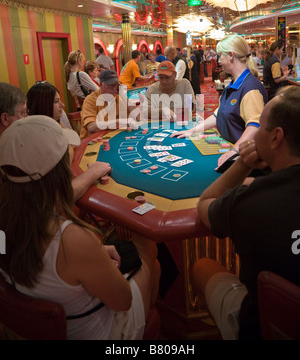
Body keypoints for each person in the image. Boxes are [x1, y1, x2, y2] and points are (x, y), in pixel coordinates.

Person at [0, 115, 160, 340]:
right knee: (147, 246)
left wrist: (93, 257)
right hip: (104, 332)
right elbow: (123, 301)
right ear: (59, 173)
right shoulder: (72, 240)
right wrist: (92, 256)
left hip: (40, 328)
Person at [192, 86, 300, 340]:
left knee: (201, 267)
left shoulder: (251, 201)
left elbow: (205, 203)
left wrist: (242, 164)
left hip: (264, 327)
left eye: (259, 126)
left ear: (276, 138)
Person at [171, 35, 267, 166]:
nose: (219, 60)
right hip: (232, 150)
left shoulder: (250, 87)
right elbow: (219, 113)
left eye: (221, 55)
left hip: (244, 160)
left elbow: (255, 125)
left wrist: (234, 150)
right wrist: (192, 131)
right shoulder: (234, 83)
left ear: (231, 55)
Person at [26, 81, 111, 202]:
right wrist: (93, 172)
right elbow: (59, 198)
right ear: (43, 106)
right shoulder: (43, 140)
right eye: (56, 102)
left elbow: (74, 140)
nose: (63, 105)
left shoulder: (52, 123)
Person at [80, 69, 138, 139]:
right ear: (101, 84)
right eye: (110, 85)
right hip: (91, 142)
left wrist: (124, 97)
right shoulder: (90, 100)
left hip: (111, 137)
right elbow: (91, 127)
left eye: (116, 85)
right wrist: (118, 121)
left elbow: (138, 117)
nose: (114, 88)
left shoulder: (119, 98)